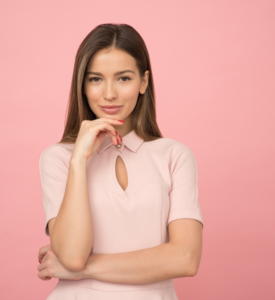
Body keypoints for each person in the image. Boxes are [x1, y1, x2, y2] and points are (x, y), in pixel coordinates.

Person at [37, 23, 204, 300]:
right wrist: (79, 159)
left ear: (144, 82)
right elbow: (72, 256)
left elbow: (185, 258)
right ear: (82, 85)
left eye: (123, 78)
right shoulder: (59, 159)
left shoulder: (175, 155)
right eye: (95, 79)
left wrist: (82, 270)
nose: (110, 93)